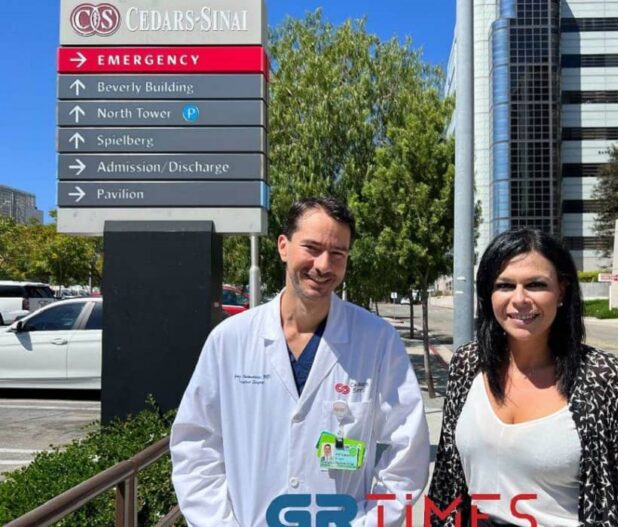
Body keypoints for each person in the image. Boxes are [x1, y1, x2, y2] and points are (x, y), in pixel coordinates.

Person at [171, 197, 430, 526]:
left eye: (338, 253)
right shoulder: (230, 340)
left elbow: (407, 450)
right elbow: (196, 444)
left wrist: (367, 522)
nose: (323, 265)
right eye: (312, 248)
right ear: (284, 246)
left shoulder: (377, 341)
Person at [428, 228, 618, 527]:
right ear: (488, 294)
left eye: (536, 285)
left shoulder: (603, 377)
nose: (520, 299)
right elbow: (446, 479)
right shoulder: (467, 364)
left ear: (561, 291)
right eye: (504, 285)